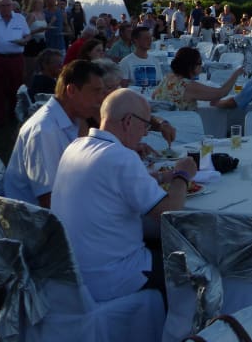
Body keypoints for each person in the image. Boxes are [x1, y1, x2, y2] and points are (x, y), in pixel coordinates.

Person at [51, 89, 196, 302]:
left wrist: (163, 177)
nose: (145, 133)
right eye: (145, 125)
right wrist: (183, 174)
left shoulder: (76, 146)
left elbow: (114, 185)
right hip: (111, 276)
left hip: (72, 273)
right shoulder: (121, 157)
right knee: (196, 268)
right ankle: (180, 331)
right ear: (128, 121)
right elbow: (169, 213)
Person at [4, 60, 107, 207]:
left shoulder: (75, 118)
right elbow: (49, 200)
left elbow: (88, 160)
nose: (101, 99)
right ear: (71, 90)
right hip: (39, 221)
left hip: (65, 202)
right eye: (96, 91)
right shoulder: (44, 131)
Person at [0, 0, 31, 127]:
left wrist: (25, 40)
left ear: (12, 6)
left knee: (16, 87)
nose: (5, 8)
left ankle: (14, 115)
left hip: (16, 58)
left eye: (8, 5)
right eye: (3, 6)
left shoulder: (20, 19)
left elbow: (27, 34)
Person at [152, 47, 241, 111]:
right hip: (182, 129)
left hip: (165, 126)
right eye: (200, 63)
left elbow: (154, 96)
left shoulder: (168, 77)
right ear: (191, 66)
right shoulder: (187, 85)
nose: (201, 66)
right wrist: (236, 74)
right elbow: (221, 93)